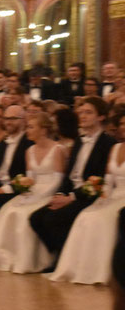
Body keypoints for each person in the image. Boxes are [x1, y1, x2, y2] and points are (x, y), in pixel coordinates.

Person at [30, 96, 116, 270]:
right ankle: (59, 253)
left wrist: (71, 198)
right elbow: (69, 175)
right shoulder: (79, 141)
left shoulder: (108, 143)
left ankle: (62, 261)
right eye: (81, 112)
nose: (83, 116)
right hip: (72, 192)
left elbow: (99, 180)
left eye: (89, 112)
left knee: (53, 219)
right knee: (35, 218)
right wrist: (61, 193)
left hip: (91, 194)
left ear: (101, 117)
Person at [0, 113, 65, 273]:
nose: (28, 131)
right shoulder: (30, 150)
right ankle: (8, 258)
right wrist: (26, 189)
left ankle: (33, 259)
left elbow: (57, 180)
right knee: (10, 211)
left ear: (44, 130)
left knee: (23, 214)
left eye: (32, 127)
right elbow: (31, 178)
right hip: (32, 192)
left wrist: (39, 195)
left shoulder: (57, 149)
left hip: (48, 192)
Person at [48, 112, 125, 284]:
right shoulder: (116, 148)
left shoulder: (107, 143)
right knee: (86, 216)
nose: (123, 127)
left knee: (100, 220)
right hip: (112, 194)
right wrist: (103, 195)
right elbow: (109, 179)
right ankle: (80, 269)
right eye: (122, 124)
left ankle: (106, 271)